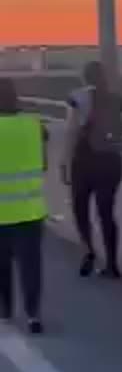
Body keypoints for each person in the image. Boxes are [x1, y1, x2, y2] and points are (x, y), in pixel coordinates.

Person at [62, 60, 122, 279]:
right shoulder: (116, 99)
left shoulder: (77, 97)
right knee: (106, 213)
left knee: (81, 210)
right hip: (111, 161)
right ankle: (112, 265)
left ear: (84, 77)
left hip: (84, 160)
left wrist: (64, 162)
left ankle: (89, 249)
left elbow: (70, 131)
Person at [0, 78, 48, 334]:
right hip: (30, 211)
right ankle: (33, 315)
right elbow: (43, 164)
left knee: (1, 267)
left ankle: (5, 311)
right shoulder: (34, 125)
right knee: (31, 267)